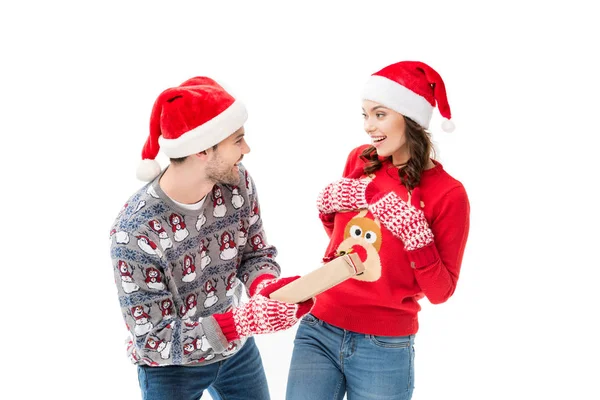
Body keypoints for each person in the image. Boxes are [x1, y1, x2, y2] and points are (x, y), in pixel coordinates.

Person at [109, 76, 313, 400]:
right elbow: (153, 339)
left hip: (237, 353)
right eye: (238, 140)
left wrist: (265, 290)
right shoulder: (135, 234)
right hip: (170, 368)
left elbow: (255, 254)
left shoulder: (237, 183)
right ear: (203, 149)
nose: (246, 150)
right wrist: (244, 321)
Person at [285, 61, 470, 400]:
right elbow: (345, 240)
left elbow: (441, 291)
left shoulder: (448, 194)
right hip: (319, 326)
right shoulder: (360, 159)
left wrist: (416, 237)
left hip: (384, 347)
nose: (369, 126)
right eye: (365, 115)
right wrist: (328, 206)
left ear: (410, 118)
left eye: (380, 114)